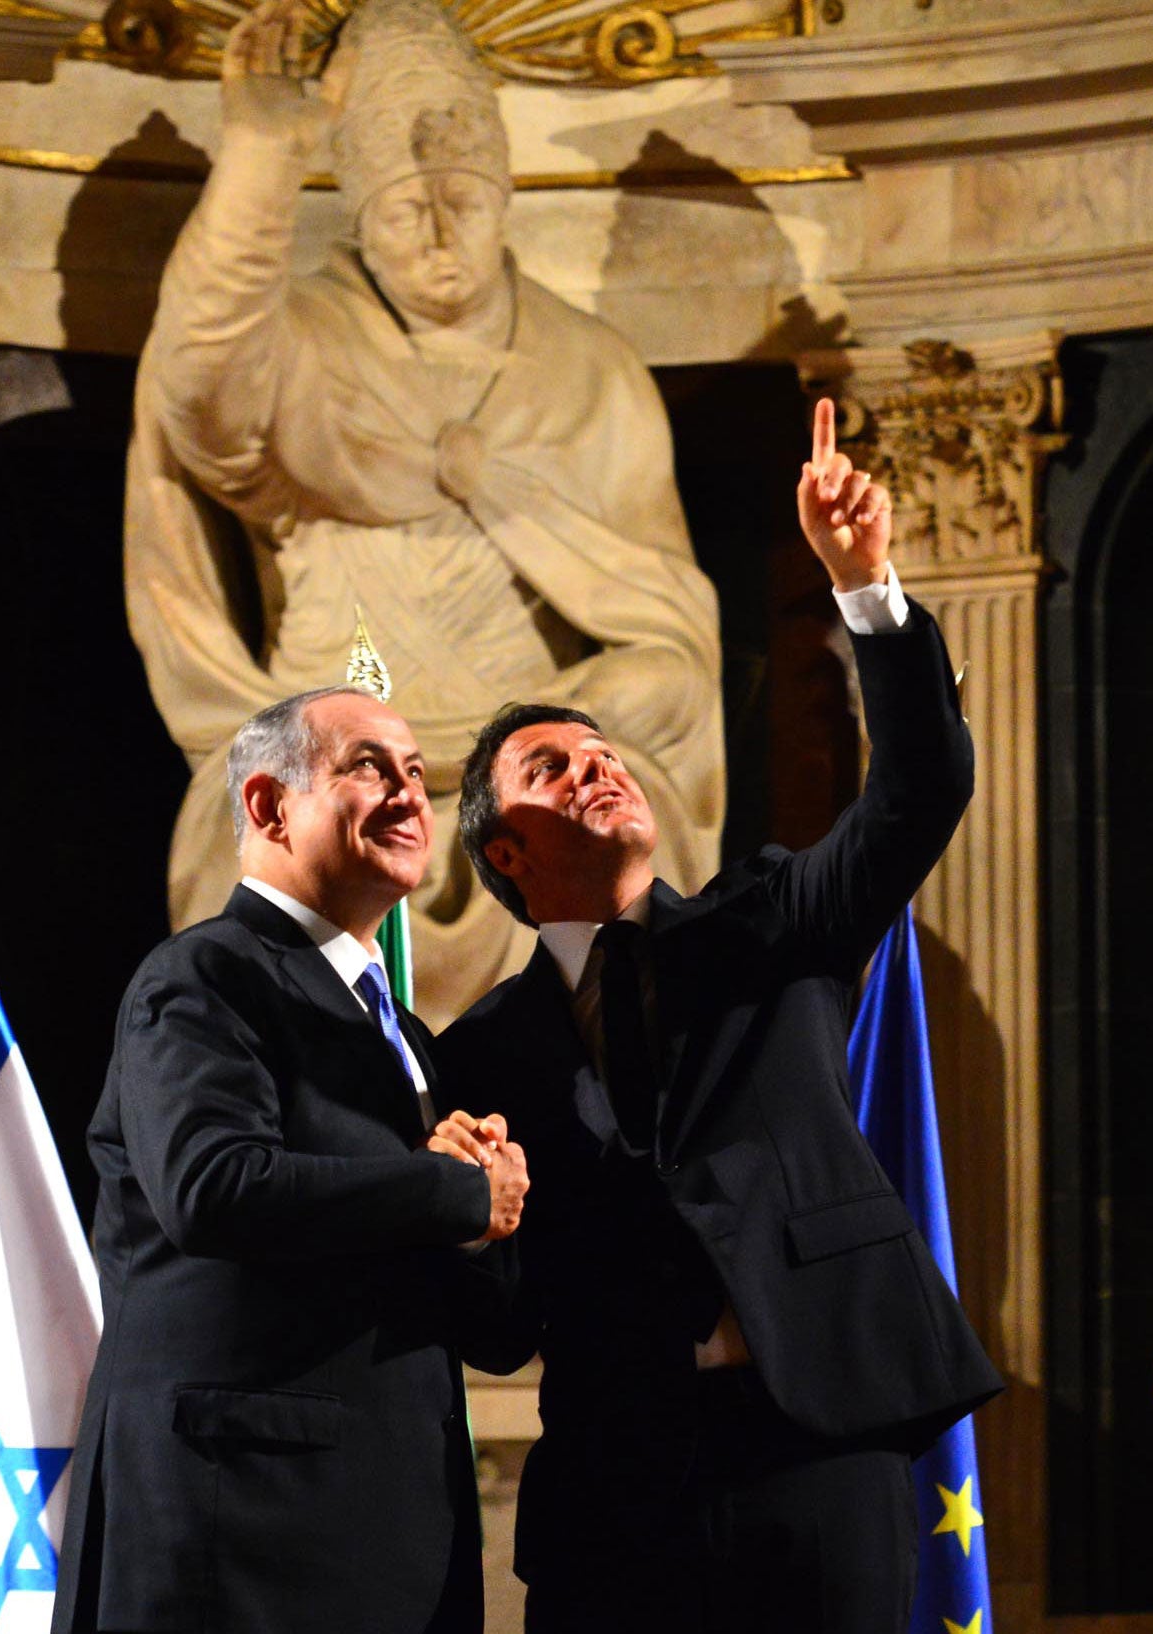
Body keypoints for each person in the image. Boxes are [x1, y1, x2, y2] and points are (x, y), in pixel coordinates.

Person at [430, 400, 1003, 1632]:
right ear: (504, 853)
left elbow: (922, 788)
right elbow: (499, 1328)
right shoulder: (476, 1054)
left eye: (602, 752)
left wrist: (865, 589)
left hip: (819, 1443)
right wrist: (469, 1222)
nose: (596, 766)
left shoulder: (772, 917)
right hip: (619, 1486)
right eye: (549, 768)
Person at [124, 0, 724, 1022]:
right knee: (263, 851)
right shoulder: (303, 347)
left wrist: (601, 706)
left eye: (464, 202)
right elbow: (201, 390)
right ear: (361, 217)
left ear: (505, 198)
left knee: (626, 817)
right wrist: (263, 162)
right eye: (409, 211)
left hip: (531, 787)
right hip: (329, 775)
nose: (442, 234)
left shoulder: (590, 372)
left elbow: (667, 630)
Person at [53, 685, 532, 1634]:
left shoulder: (404, 1035)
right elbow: (213, 1186)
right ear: (269, 806)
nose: (408, 794)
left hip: (387, 1530)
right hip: (242, 1526)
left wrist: (485, 1236)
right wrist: (451, 1191)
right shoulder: (205, 976)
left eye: (414, 773)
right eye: (368, 768)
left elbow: (483, 1324)